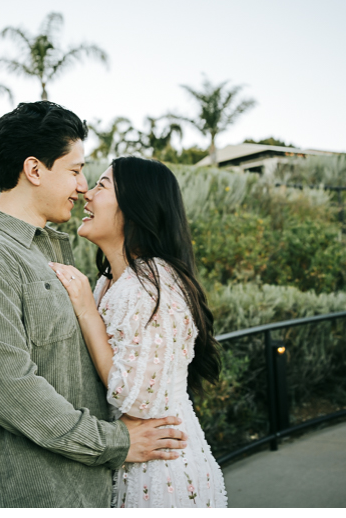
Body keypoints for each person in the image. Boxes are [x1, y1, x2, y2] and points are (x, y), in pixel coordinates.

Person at [0, 103, 188, 508]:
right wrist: (118, 442)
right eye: (74, 170)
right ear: (34, 170)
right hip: (31, 495)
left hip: (85, 490)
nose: (84, 186)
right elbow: (13, 393)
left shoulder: (52, 252)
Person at [50, 156, 227, 508]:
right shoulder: (112, 282)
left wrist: (86, 310)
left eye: (102, 185)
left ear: (136, 206)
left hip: (161, 473)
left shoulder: (151, 285)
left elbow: (136, 398)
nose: (87, 192)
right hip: (130, 456)